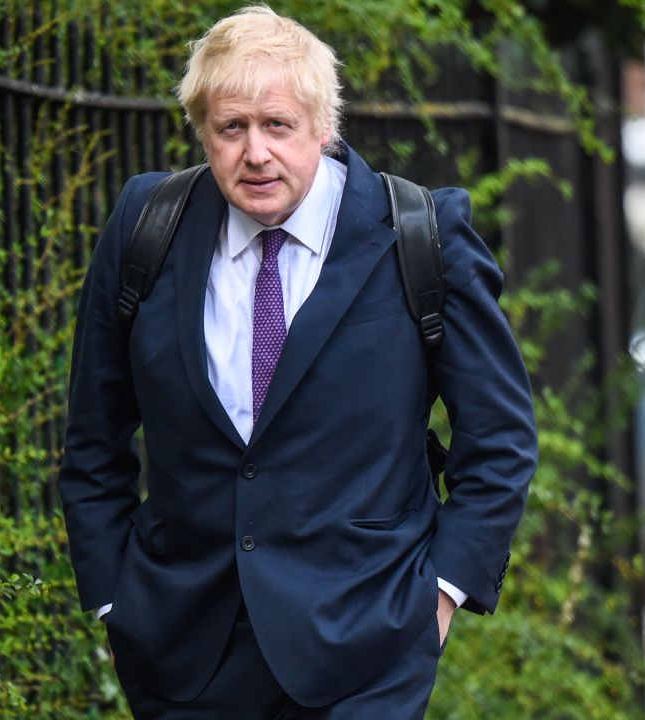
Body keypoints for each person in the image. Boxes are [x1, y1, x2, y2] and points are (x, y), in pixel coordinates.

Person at [57, 5, 538, 718]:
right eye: (231, 128)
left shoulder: (418, 236)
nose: (255, 153)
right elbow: (93, 444)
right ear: (204, 132)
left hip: (366, 652)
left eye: (276, 125)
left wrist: (440, 597)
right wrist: (113, 602)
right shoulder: (145, 229)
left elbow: (499, 439)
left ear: (323, 126)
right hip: (185, 656)